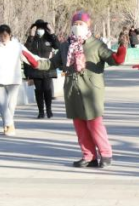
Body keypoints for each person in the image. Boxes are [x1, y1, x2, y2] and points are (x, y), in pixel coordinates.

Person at [24, 11, 127, 169]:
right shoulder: (66, 46)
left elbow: (113, 60)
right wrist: (35, 62)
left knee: (94, 123)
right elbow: (51, 63)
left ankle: (106, 154)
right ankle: (88, 155)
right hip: (72, 90)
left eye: (81, 24)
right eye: (75, 24)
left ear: (88, 26)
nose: (78, 27)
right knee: (79, 125)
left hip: (91, 90)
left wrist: (121, 51)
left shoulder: (96, 44)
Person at [24, 20, 58, 119]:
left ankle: (49, 110)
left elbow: (57, 45)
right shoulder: (32, 39)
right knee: (38, 90)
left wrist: (52, 32)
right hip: (36, 68)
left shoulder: (49, 38)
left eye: (41, 28)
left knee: (47, 89)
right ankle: (41, 112)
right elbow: (26, 50)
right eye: (38, 28)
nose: (40, 30)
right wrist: (31, 35)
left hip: (47, 67)